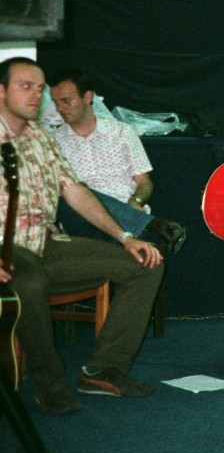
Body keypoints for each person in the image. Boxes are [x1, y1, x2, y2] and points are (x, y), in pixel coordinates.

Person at [0, 57, 164, 414]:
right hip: (8, 248)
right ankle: (50, 384)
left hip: (48, 244)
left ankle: (103, 370)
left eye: (39, 88)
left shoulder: (41, 138)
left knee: (145, 263)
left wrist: (125, 236)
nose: (37, 95)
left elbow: (75, 192)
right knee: (30, 283)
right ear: (1, 92)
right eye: (25, 87)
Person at [47, 68, 187, 253]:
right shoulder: (52, 142)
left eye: (66, 101)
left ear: (87, 97)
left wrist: (136, 201)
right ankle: (156, 226)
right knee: (76, 190)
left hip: (128, 215)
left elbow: (144, 183)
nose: (60, 109)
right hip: (83, 223)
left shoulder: (122, 132)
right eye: (56, 103)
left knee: (86, 196)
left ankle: (133, 233)